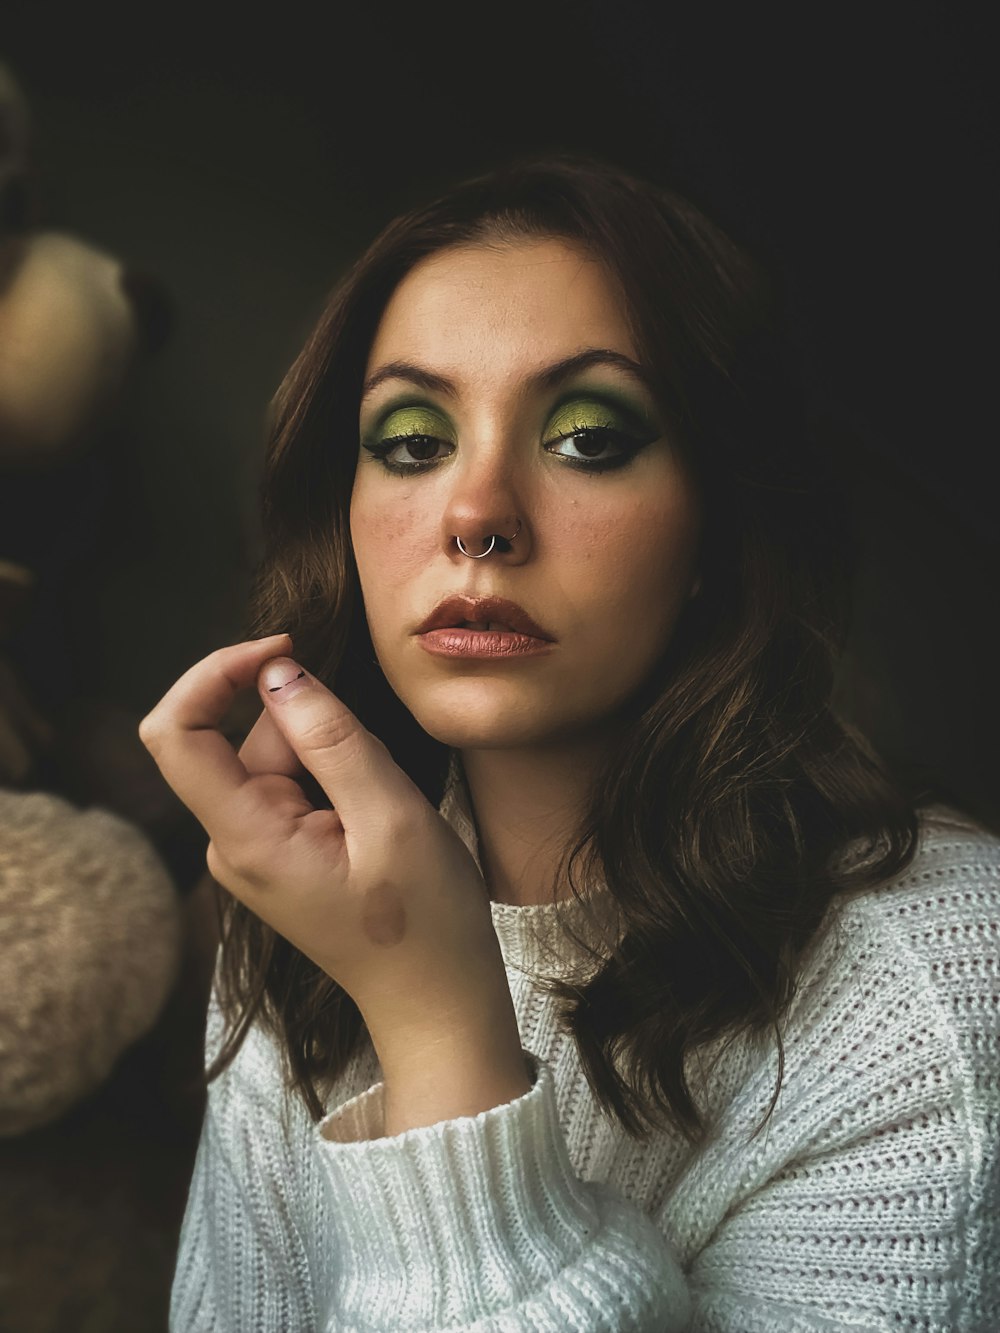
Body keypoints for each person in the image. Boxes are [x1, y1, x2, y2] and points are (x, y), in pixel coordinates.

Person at [140, 157, 1000, 1331]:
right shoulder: (301, 896)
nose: (476, 512)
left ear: (718, 523)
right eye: (409, 438)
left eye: (589, 436)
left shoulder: (934, 986)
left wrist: (438, 1025)